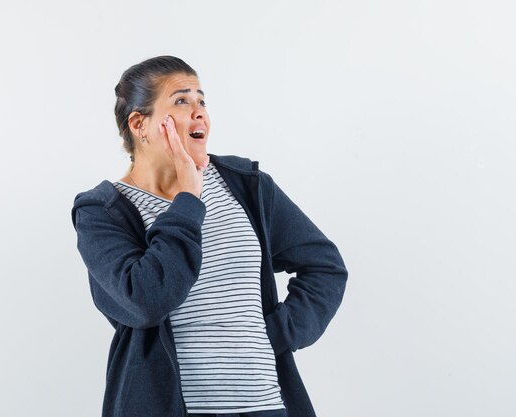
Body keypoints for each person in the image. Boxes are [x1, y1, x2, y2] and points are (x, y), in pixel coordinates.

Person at [71, 56, 348, 417]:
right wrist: (188, 199)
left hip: (264, 406)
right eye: (182, 101)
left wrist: (275, 334)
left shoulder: (246, 185)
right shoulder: (101, 211)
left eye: (202, 100)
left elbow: (324, 267)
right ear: (140, 124)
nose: (199, 112)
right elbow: (145, 301)